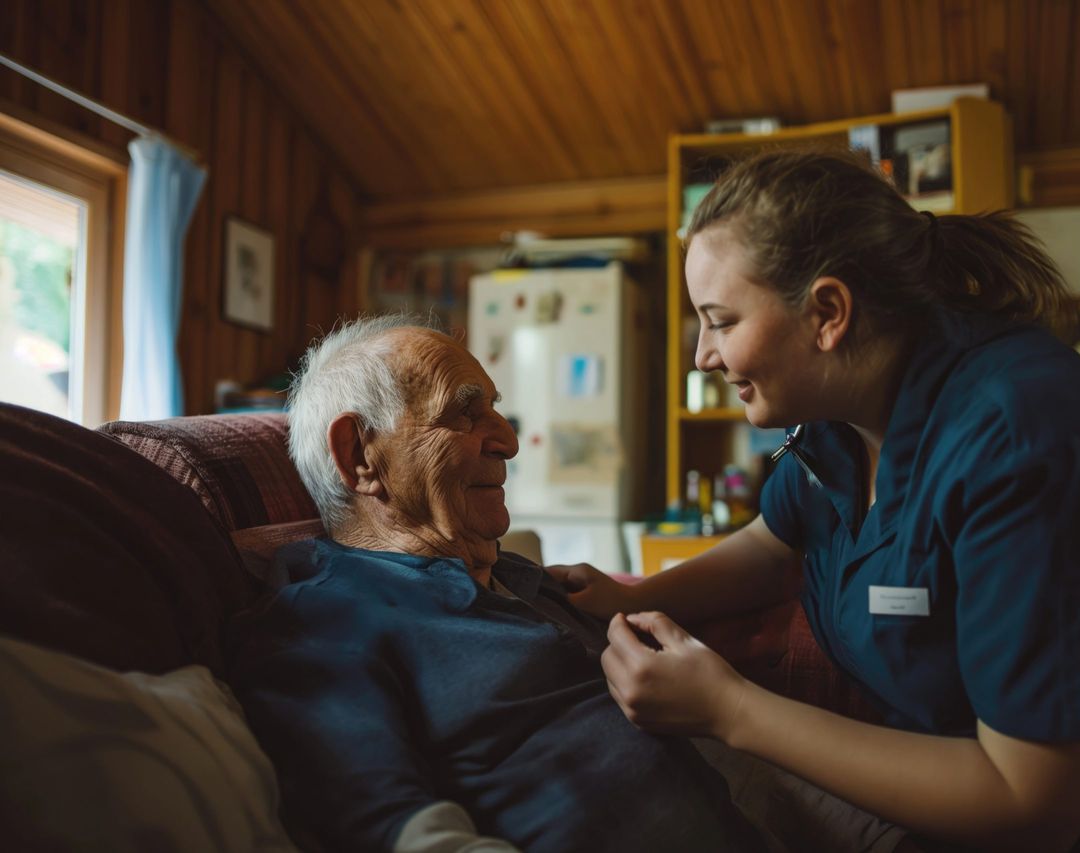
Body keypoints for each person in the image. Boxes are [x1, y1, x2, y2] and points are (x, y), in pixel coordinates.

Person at [552, 149, 1080, 852]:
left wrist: (730, 708)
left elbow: (1034, 805)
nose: (703, 356)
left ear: (828, 312)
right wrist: (627, 594)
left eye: (722, 319)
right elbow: (775, 544)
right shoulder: (844, 413)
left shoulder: (1030, 440)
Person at [227, 316, 773, 853]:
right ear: (361, 456)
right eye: (465, 415)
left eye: (496, 409)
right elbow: (393, 828)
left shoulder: (521, 578)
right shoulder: (326, 621)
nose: (510, 442)